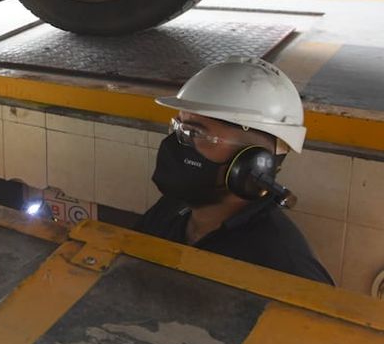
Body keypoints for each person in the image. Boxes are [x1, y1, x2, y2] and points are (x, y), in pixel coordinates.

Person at [137, 56, 333, 285]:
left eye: (196, 133)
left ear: (253, 163)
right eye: (179, 128)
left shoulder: (283, 265)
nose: (176, 144)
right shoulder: (171, 210)